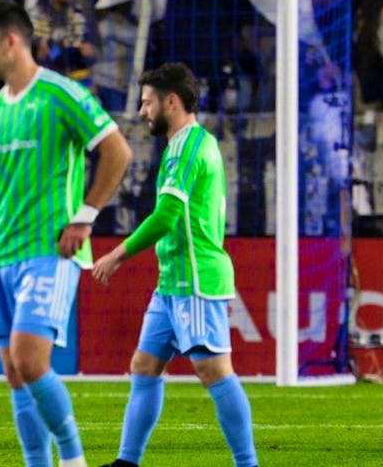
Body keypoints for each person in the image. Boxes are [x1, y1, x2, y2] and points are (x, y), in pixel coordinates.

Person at [0, 0, 132, 467]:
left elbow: (117, 151)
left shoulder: (61, 93)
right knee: (13, 372)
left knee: (31, 362)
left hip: (49, 249)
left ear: (11, 41)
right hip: (3, 253)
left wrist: (86, 215)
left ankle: (73, 458)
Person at [91, 62, 258, 467]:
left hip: (196, 278)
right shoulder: (192, 143)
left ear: (171, 101)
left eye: (148, 103)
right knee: (144, 366)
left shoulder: (186, 147)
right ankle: (127, 462)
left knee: (214, 370)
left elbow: (165, 216)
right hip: (172, 282)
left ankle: (248, 463)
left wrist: (117, 254)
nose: (143, 111)